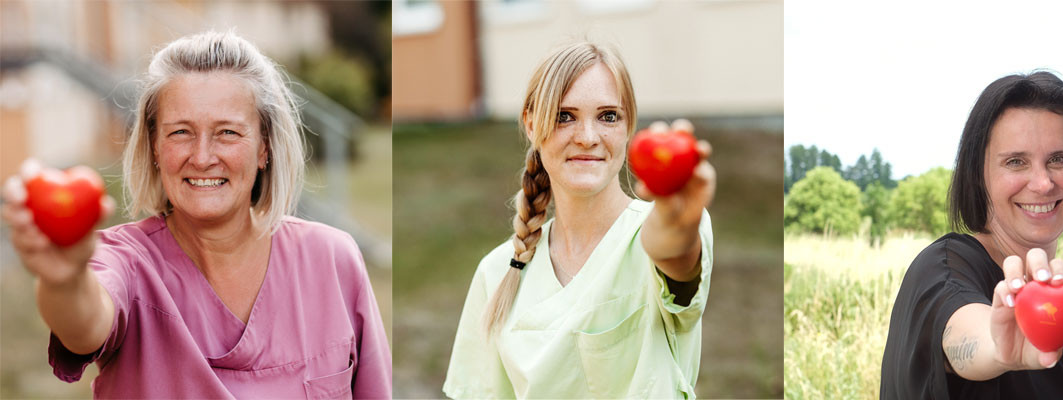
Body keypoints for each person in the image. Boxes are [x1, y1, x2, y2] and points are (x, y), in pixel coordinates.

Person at [0, 30, 390, 398]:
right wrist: (65, 279)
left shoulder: (333, 258)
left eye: (228, 133)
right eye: (181, 132)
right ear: (154, 145)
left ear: (264, 148)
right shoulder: (127, 262)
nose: (202, 157)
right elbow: (83, 324)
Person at [442, 41, 718, 399]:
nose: (588, 138)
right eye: (564, 116)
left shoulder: (659, 233)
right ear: (531, 124)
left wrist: (674, 224)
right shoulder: (495, 273)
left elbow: (675, 255)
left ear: (628, 126)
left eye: (608, 116)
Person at [880, 71, 1063, 399]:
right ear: (978, 175)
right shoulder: (942, 268)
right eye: (1016, 162)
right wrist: (999, 347)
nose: (1043, 183)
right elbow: (965, 334)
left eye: (1059, 159)